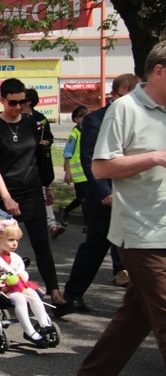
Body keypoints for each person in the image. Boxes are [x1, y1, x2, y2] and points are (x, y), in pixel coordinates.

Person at [77, 41, 166, 375]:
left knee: (133, 320)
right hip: (143, 233)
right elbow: (100, 167)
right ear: (159, 71)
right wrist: (155, 157)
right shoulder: (125, 109)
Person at [0, 78, 69, 314]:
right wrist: (7, 197)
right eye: (13, 103)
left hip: (31, 191)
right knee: (3, 246)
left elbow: (40, 158)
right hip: (4, 195)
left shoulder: (31, 122)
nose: (18, 107)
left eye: (23, 102)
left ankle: (54, 292)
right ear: (2, 100)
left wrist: (47, 186)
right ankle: (3, 293)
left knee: (42, 244)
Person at [63, 74, 140, 313]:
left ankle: (143, 299)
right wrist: (104, 191)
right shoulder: (95, 120)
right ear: (114, 95)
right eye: (126, 96)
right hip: (105, 198)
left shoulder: (141, 118)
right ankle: (73, 294)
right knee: (96, 247)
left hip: (136, 197)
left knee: (142, 250)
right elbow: (89, 159)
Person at [0, 219, 54, 348]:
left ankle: (44, 323)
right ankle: (29, 331)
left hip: (18, 286)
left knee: (32, 294)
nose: (15, 244)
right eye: (11, 240)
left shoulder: (15, 258)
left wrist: (22, 276)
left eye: (17, 240)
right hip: (1, 291)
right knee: (20, 299)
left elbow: (22, 272)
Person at [21, 88, 66, 239]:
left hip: (39, 162)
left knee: (43, 192)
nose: (18, 104)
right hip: (19, 165)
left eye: (22, 100)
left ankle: (52, 224)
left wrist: (46, 142)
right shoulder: (14, 117)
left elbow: (49, 136)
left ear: (29, 102)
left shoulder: (41, 118)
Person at [59, 105, 89, 226]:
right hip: (78, 173)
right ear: (76, 119)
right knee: (83, 199)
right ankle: (86, 224)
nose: (85, 118)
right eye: (82, 116)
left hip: (89, 171)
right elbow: (68, 152)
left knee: (86, 199)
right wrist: (67, 171)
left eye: (87, 115)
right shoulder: (75, 133)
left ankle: (66, 210)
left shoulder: (90, 131)